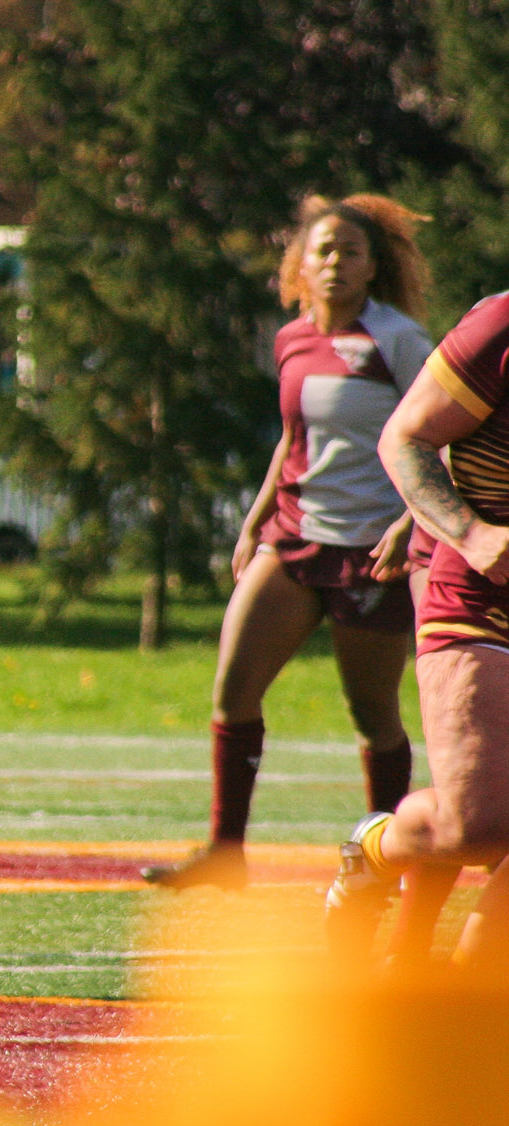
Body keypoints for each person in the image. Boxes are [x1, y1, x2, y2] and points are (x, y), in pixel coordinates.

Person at [146, 196, 433, 890]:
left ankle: (384, 861)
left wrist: (411, 522)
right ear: (300, 263)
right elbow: (294, 439)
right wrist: (254, 521)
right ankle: (225, 854)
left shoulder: (398, 340)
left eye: (351, 252)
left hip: (371, 551)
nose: (336, 263)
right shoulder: (291, 339)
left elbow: (439, 434)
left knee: (373, 716)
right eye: (323, 250)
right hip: (294, 538)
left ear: (373, 267)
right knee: (233, 691)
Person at [327, 287, 509, 968]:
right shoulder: (502, 322)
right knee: (479, 826)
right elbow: (405, 436)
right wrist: (471, 532)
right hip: (484, 590)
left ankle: (456, 997)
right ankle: (373, 850)